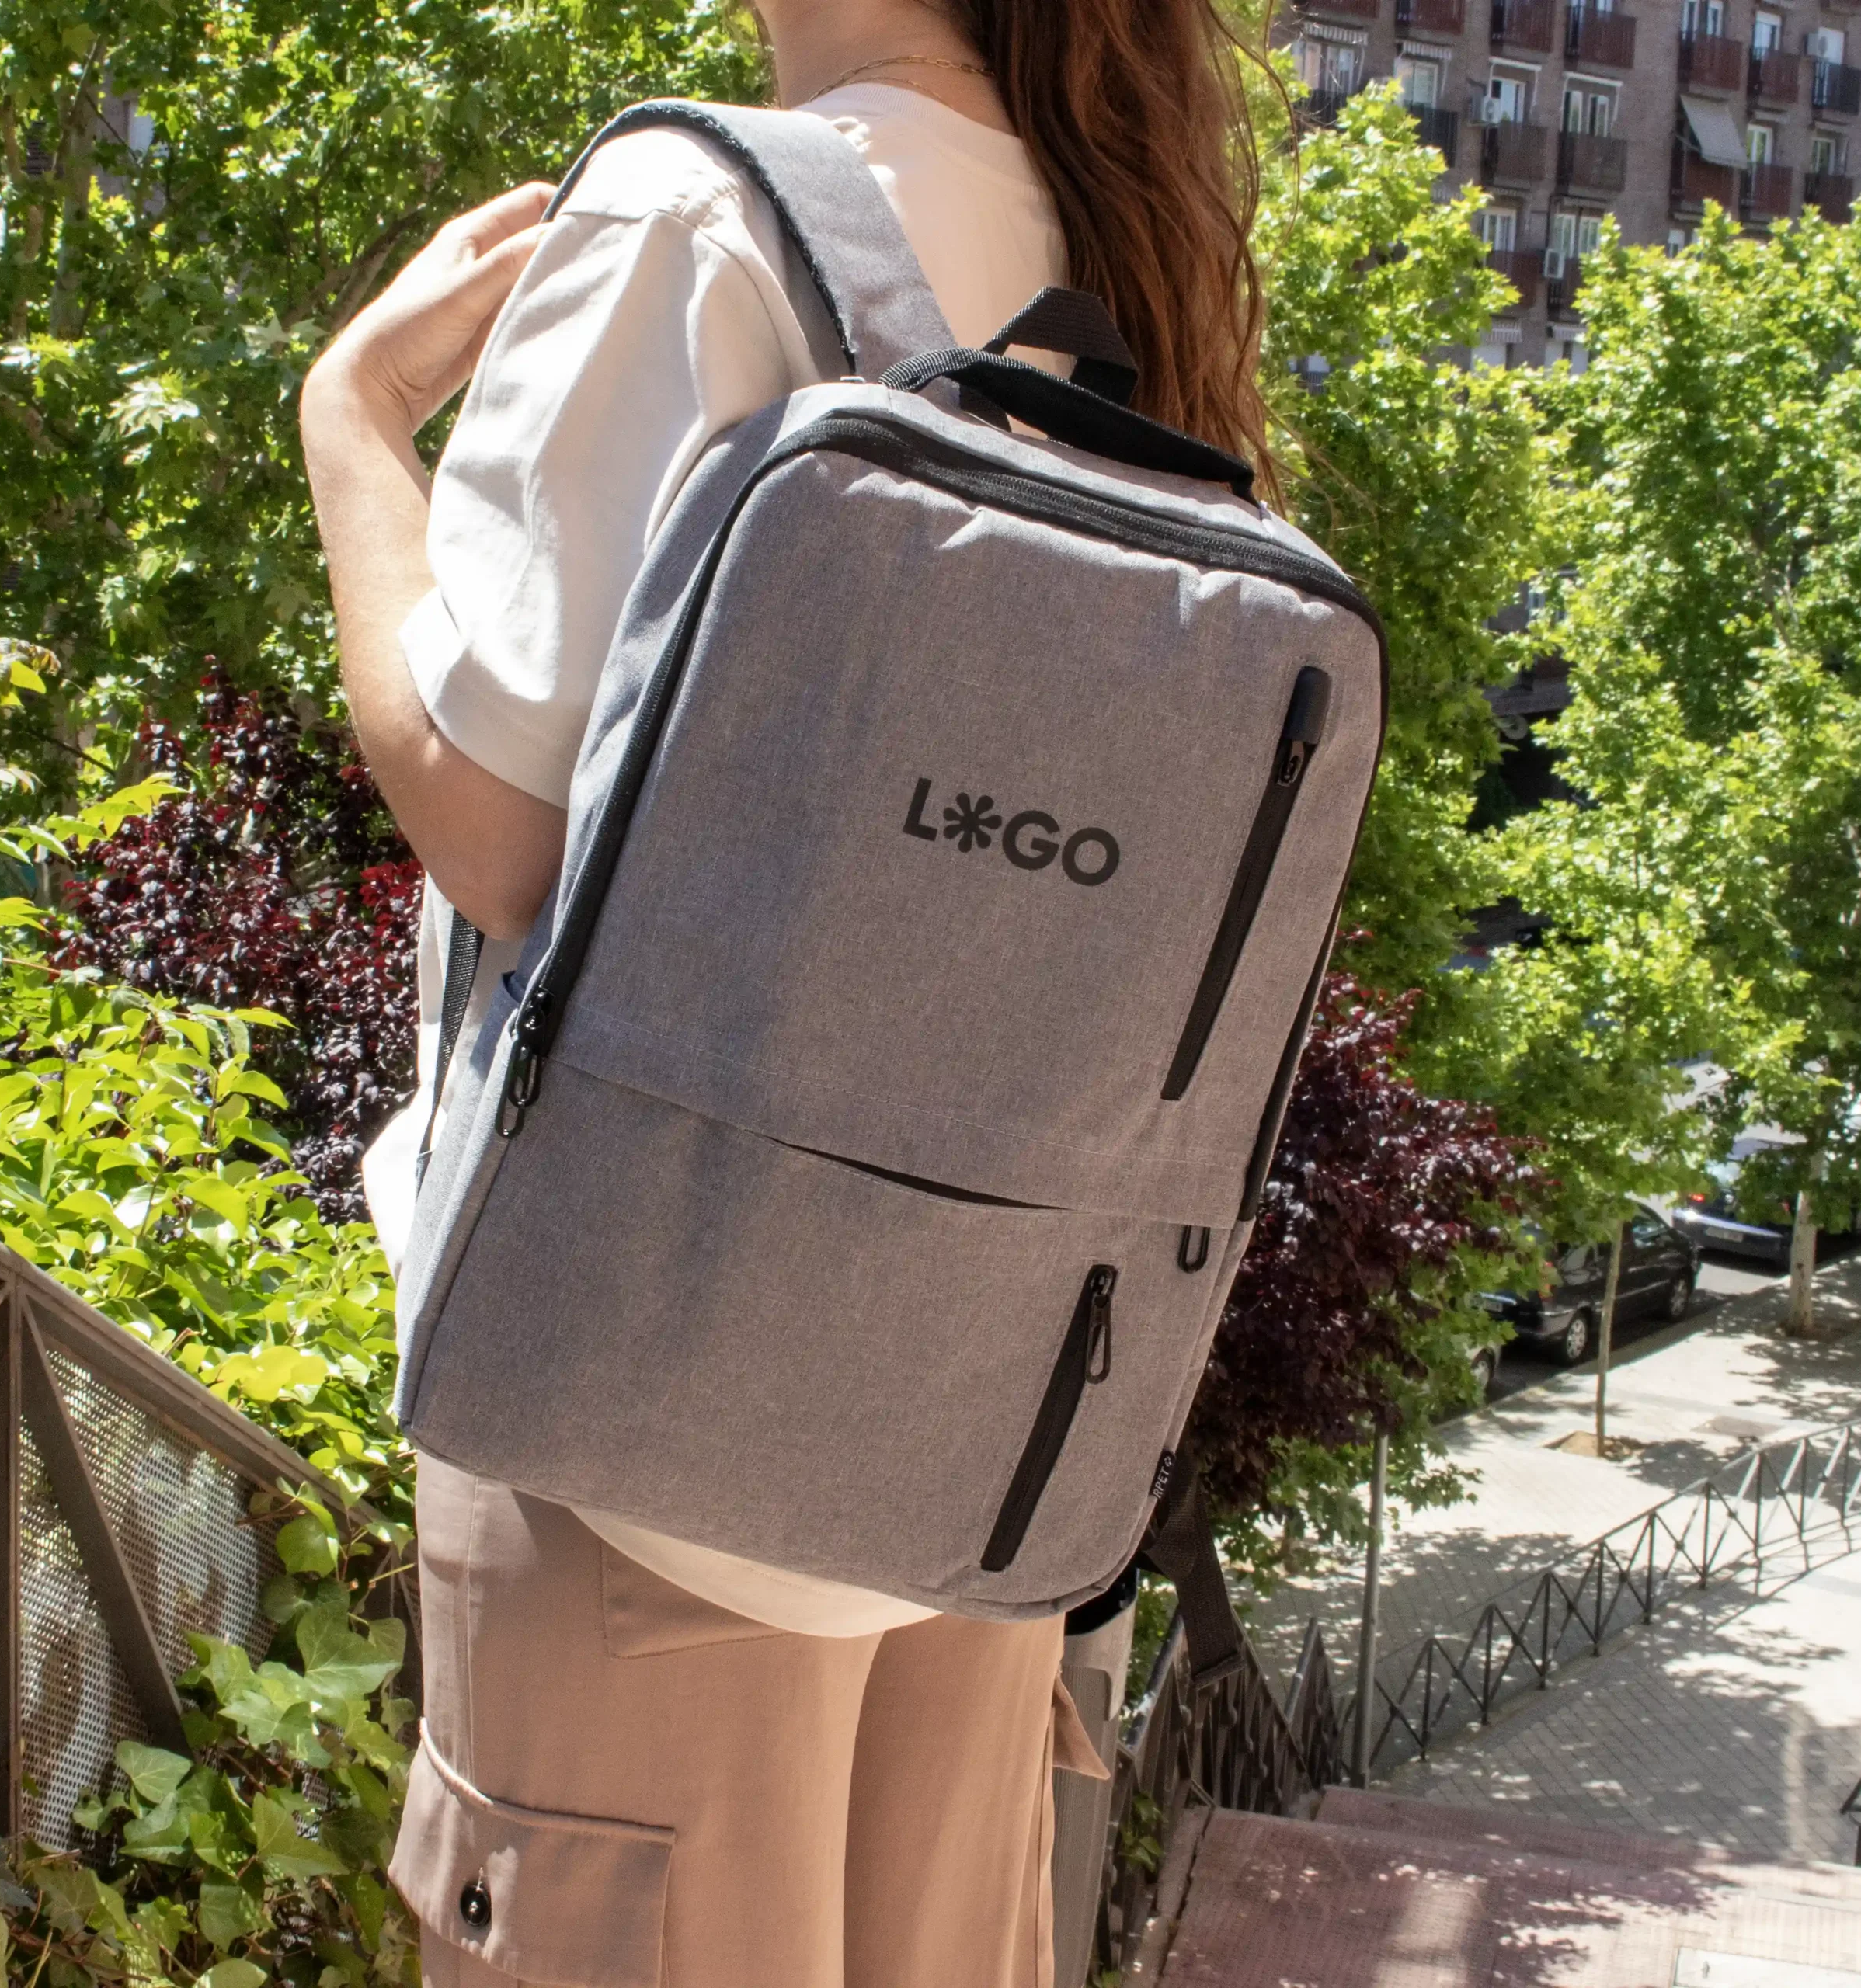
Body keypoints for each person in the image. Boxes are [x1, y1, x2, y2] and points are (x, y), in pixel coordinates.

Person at [300, 0, 1275, 1978]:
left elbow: (495, 824)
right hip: (972, 1465)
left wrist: (349, 419)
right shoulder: (1126, 245)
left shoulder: (702, 214)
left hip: (644, 1424)